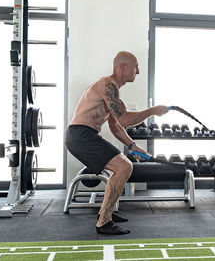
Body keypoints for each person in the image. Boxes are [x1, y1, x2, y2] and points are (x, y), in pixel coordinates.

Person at [65, 51, 168, 235]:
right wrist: (152, 110)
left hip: (84, 135)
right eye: (135, 66)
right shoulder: (107, 86)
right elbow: (126, 119)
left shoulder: (113, 90)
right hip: (80, 135)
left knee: (123, 166)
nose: (138, 71)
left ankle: (108, 214)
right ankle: (103, 222)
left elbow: (116, 125)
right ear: (123, 67)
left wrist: (132, 145)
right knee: (124, 167)